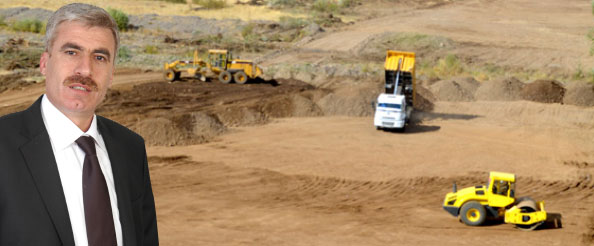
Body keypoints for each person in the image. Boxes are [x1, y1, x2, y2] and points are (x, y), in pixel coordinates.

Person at [0, 3, 158, 245]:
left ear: (111, 74)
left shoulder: (131, 148)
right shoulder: (3, 144)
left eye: (99, 57)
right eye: (71, 52)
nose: (85, 69)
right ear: (44, 63)